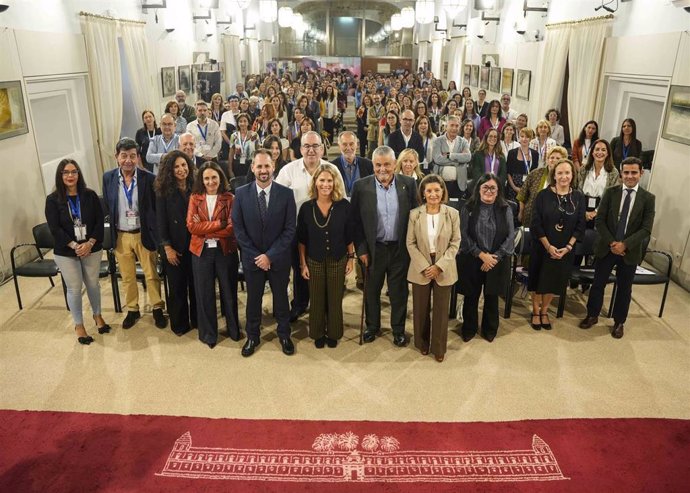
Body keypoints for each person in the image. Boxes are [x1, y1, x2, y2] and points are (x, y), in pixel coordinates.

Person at [579, 157, 655, 338]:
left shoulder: (648, 198)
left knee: (624, 288)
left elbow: (646, 229)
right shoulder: (611, 192)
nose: (630, 176)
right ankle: (592, 315)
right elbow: (600, 220)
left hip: (630, 250)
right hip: (607, 247)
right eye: (626, 172)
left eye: (634, 172)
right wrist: (613, 243)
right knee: (598, 284)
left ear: (641, 173)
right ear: (621, 173)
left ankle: (619, 322)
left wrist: (625, 245)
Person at [351, 145, 418, 347]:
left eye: (387, 165)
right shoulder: (361, 187)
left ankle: (398, 330)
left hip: (399, 248)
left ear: (394, 164)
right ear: (373, 165)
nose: (383, 169)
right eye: (378, 165)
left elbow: (414, 218)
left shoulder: (408, 184)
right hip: (373, 250)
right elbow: (355, 222)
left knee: (398, 292)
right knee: (372, 291)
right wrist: (361, 250)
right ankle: (372, 327)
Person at [232, 150, 297, 356]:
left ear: (273, 167)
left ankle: (284, 334)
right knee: (253, 299)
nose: (263, 170)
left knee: (281, 299)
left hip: (278, 259)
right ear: (252, 168)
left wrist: (270, 255)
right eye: (259, 166)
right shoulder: (241, 193)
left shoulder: (286, 194)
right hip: (253, 259)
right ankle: (252, 336)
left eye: (267, 166)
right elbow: (238, 229)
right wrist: (258, 257)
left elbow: (289, 230)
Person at [103, 138, 167, 330]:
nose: (128, 160)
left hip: (143, 233)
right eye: (124, 156)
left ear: (138, 157)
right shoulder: (108, 178)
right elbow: (108, 204)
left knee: (151, 274)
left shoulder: (149, 179)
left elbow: (156, 209)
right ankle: (132, 309)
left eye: (132, 156)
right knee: (128, 276)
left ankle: (157, 307)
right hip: (121, 235)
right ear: (117, 158)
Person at [45, 159, 109, 344]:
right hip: (66, 251)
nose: (70, 176)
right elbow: (55, 228)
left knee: (93, 284)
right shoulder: (52, 200)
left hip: (92, 247)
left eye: (74, 172)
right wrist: (75, 246)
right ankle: (79, 325)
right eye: (66, 172)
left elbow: (100, 221)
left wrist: (89, 243)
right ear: (60, 176)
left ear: (79, 174)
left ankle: (97, 316)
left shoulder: (89, 195)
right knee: (74, 288)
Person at [297, 164, 355, 348]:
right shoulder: (306, 208)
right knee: (317, 298)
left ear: (335, 183)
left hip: (338, 259)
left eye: (329, 180)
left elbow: (349, 235)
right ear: (315, 182)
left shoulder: (344, 205)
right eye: (322, 180)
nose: (325, 184)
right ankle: (317, 333)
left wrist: (351, 259)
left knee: (335, 298)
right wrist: (303, 264)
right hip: (314, 260)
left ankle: (334, 333)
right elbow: (301, 240)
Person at [276, 130, 331, 322]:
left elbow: (339, 199)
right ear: (300, 149)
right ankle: (299, 304)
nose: (311, 150)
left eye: (315, 146)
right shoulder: (287, 171)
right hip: (295, 231)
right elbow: (277, 202)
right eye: (307, 146)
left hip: (325, 232)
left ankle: (322, 307)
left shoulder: (331, 170)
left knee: (323, 271)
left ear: (322, 149)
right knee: (300, 270)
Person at [406, 174, 460, 361]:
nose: (433, 194)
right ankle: (422, 343)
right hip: (420, 265)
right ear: (423, 192)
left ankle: (438, 348)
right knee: (420, 309)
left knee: (441, 310)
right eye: (429, 190)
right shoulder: (415, 214)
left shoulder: (453, 214)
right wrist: (424, 266)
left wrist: (439, 266)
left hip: (444, 266)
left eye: (437, 190)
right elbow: (410, 243)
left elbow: (455, 243)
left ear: (443, 191)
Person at [528, 159, 586, 330]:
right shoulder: (543, 195)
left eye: (567, 173)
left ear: (572, 175)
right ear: (554, 175)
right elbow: (535, 223)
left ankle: (545, 311)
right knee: (538, 281)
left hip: (565, 250)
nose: (563, 176)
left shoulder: (578, 196)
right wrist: (548, 246)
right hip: (542, 246)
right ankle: (536, 311)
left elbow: (580, 225)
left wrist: (568, 247)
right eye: (559, 173)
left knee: (553, 282)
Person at [186, 162, 239, 348]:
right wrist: (219, 224)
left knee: (229, 293)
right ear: (201, 179)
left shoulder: (230, 198)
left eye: (214, 177)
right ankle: (209, 334)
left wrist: (205, 228)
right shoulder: (195, 198)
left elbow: (232, 229)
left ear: (220, 178)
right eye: (206, 178)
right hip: (200, 251)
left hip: (225, 250)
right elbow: (191, 227)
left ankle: (234, 330)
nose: (210, 182)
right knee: (204, 294)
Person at [458, 173, 515, 342]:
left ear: (498, 191)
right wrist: (481, 255)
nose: (489, 191)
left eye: (493, 188)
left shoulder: (506, 209)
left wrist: (494, 257)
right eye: (485, 187)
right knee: (471, 296)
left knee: (492, 297)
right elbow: (463, 234)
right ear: (479, 189)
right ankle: (469, 328)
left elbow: (511, 236)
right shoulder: (468, 208)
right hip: (473, 258)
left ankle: (490, 329)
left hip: (497, 261)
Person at [154, 150, 196, 336]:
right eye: (176, 166)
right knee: (177, 287)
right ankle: (179, 325)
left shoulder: (196, 186)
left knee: (196, 286)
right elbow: (161, 222)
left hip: (195, 246)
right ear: (170, 170)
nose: (181, 169)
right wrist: (167, 248)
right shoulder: (163, 191)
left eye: (184, 165)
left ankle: (197, 320)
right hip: (174, 248)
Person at [517, 146, 568, 227]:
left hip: (553, 221)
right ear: (547, 160)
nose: (554, 160)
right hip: (530, 216)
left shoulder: (565, 178)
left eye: (558, 158)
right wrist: (521, 212)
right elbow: (522, 194)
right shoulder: (535, 173)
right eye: (551, 157)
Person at [577, 139, 620, 228]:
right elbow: (577, 190)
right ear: (592, 152)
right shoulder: (584, 169)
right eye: (597, 149)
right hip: (582, 209)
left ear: (608, 153)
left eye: (603, 150)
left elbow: (613, 196)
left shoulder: (613, 172)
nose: (600, 152)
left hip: (602, 211)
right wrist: (583, 211)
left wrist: (596, 212)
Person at [431, 115, 472, 200]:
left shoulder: (463, 141)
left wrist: (450, 155)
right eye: (452, 125)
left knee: (457, 209)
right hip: (441, 183)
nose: (454, 128)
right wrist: (458, 160)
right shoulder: (437, 141)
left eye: (457, 126)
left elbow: (468, 157)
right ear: (446, 127)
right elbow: (438, 159)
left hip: (458, 183)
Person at [331, 130, 374, 198]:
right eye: (344, 144)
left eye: (351, 144)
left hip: (362, 206)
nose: (348, 148)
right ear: (339, 146)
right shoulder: (332, 167)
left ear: (357, 145)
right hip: (341, 206)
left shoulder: (368, 165)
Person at [506, 128, 538, 202]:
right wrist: (514, 187)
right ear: (519, 138)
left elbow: (534, 173)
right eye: (522, 136)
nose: (524, 139)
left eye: (527, 137)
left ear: (531, 139)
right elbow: (508, 173)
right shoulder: (512, 153)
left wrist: (528, 189)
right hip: (513, 187)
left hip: (528, 188)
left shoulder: (535, 154)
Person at [186, 101, 222, 165]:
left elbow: (218, 142)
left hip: (212, 157)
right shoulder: (190, 126)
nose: (202, 112)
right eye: (200, 110)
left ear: (208, 112)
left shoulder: (214, 124)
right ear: (196, 112)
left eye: (205, 110)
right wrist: (201, 155)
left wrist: (210, 155)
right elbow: (189, 144)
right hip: (197, 158)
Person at [229, 112, 258, 178]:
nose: (243, 123)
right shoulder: (233, 136)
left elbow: (258, 152)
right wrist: (230, 170)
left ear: (248, 123)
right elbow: (231, 154)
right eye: (240, 121)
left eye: (245, 121)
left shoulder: (254, 135)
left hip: (251, 164)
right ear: (238, 123)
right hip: (237, 164)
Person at [366, 94, 385, 159]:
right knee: (370, 151)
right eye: (375, 99)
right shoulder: (370, 109)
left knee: (380, 151)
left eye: (378, 98)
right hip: (371, 132)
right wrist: (378, 119)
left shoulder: (384, 109)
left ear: (381, 99)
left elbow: (383, 120)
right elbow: (370, 120)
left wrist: (376, 120)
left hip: (380, 132)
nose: (376, 100)